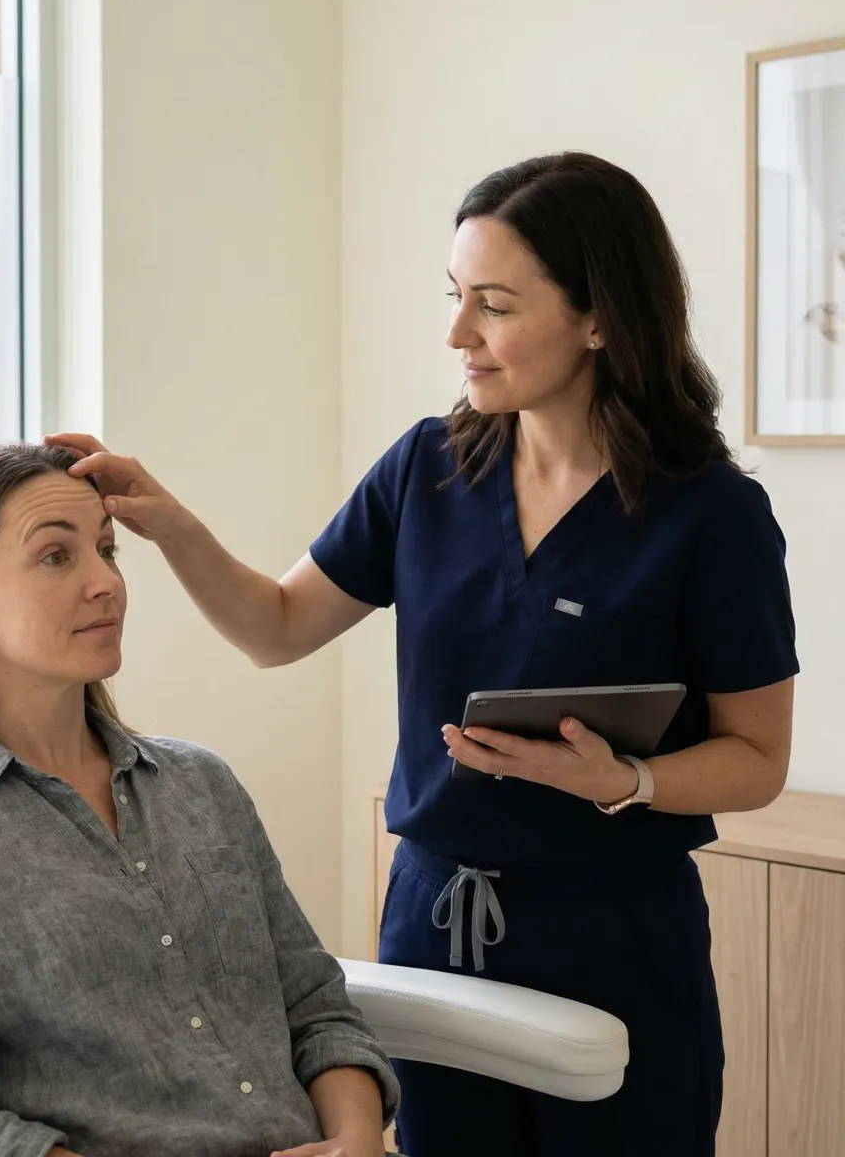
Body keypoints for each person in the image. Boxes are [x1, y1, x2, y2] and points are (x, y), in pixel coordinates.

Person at [48, 152, 799, 1157]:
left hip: (615, 938)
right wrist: (168, 523)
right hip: (432, 927)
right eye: (455, 296)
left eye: (493, 304)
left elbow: (757, 759)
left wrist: (625, 777)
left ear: (600, 317)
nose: (458, 334)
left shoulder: (713, 517)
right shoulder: (429, 468)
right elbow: (276, 628)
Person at [0, 443, 399, 1157]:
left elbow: (316, 1009)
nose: (107, 585)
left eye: (107, 551)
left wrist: (358, 1139)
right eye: (57, 557)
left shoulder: (201, 784)